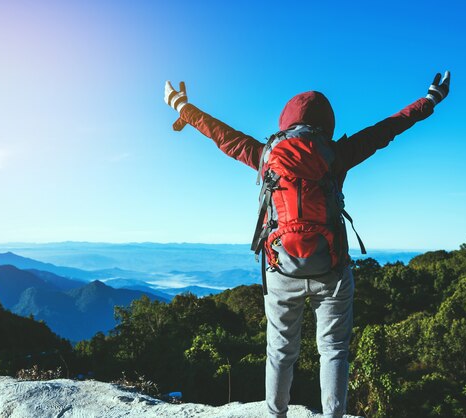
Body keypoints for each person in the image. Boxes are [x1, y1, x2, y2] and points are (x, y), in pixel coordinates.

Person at [163, 72, 450, 418]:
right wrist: (429, 100)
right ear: (325, 123)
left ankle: (276, 414)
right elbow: (386, 129)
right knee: (332, 350)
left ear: (286, 121)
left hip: (281, 268)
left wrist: (182, 106)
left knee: (280, 351)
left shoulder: (266, 153)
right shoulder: (335, 153)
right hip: (331, 268)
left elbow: (222, 135)